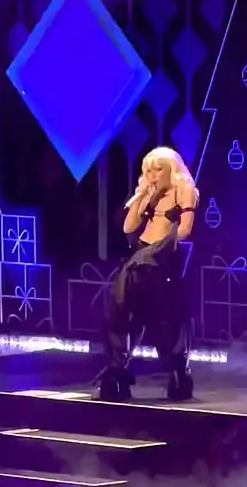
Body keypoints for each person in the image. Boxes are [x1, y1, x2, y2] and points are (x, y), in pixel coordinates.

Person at [98, 147, 198, 402]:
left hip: (163, 256)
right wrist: (144, 198)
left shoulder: (183, 190)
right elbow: (128, 227)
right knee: (121, 310)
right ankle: (117, 369)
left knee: (167, 318)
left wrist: (163, 245)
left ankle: (177, 371)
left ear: (172, 170)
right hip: (140, 255)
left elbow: (185, 230)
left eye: (159, 169)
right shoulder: (149, 194)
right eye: (149, 170)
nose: (153, 175)